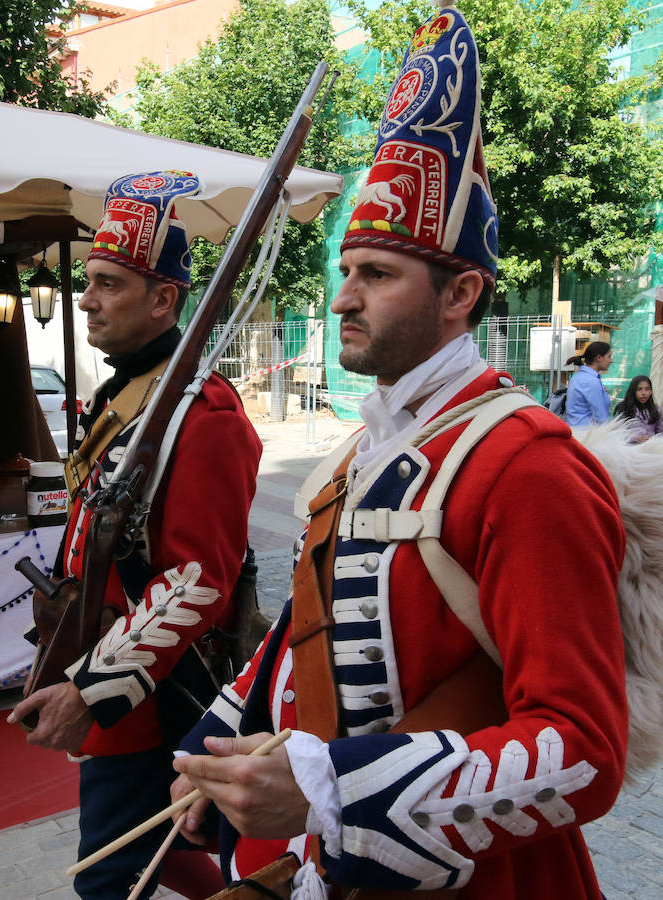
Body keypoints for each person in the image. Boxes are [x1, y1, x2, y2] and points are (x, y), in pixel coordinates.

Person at [169, 8, 628, 900]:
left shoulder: (528, 465)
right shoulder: (358, 452)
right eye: (346, 271)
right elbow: (310, 640)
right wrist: (214, 747)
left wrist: (328, 788)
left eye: (377, 275)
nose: (344, 298)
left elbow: (584, 747)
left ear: (462, 293)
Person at [8, 171, 262, 900]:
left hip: (152, 699)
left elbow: (199, 583)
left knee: (109, 876)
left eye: (109, 284)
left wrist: (88, 692)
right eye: (88, 281)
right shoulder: (128, 394)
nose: (85, 300)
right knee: (143, 857)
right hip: (104, 667)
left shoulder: (202, 415)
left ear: (163, 299)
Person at [565, 341, 613, 426]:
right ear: (599, 357)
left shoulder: (578, 376)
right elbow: (601, 416)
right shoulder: (591, 381)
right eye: (609, 357)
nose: (611, 361)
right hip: (587, 434)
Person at [613, 374, 663, 442]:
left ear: (651, 391)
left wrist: (653, 438)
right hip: (628, 448)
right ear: (633, 391)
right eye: (639, 389)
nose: (643, 393)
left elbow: (661, 431)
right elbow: (616, 433)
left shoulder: (656, 410)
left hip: (650, 448)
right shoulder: (623, 408)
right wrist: (634, 438)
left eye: (647, 389)